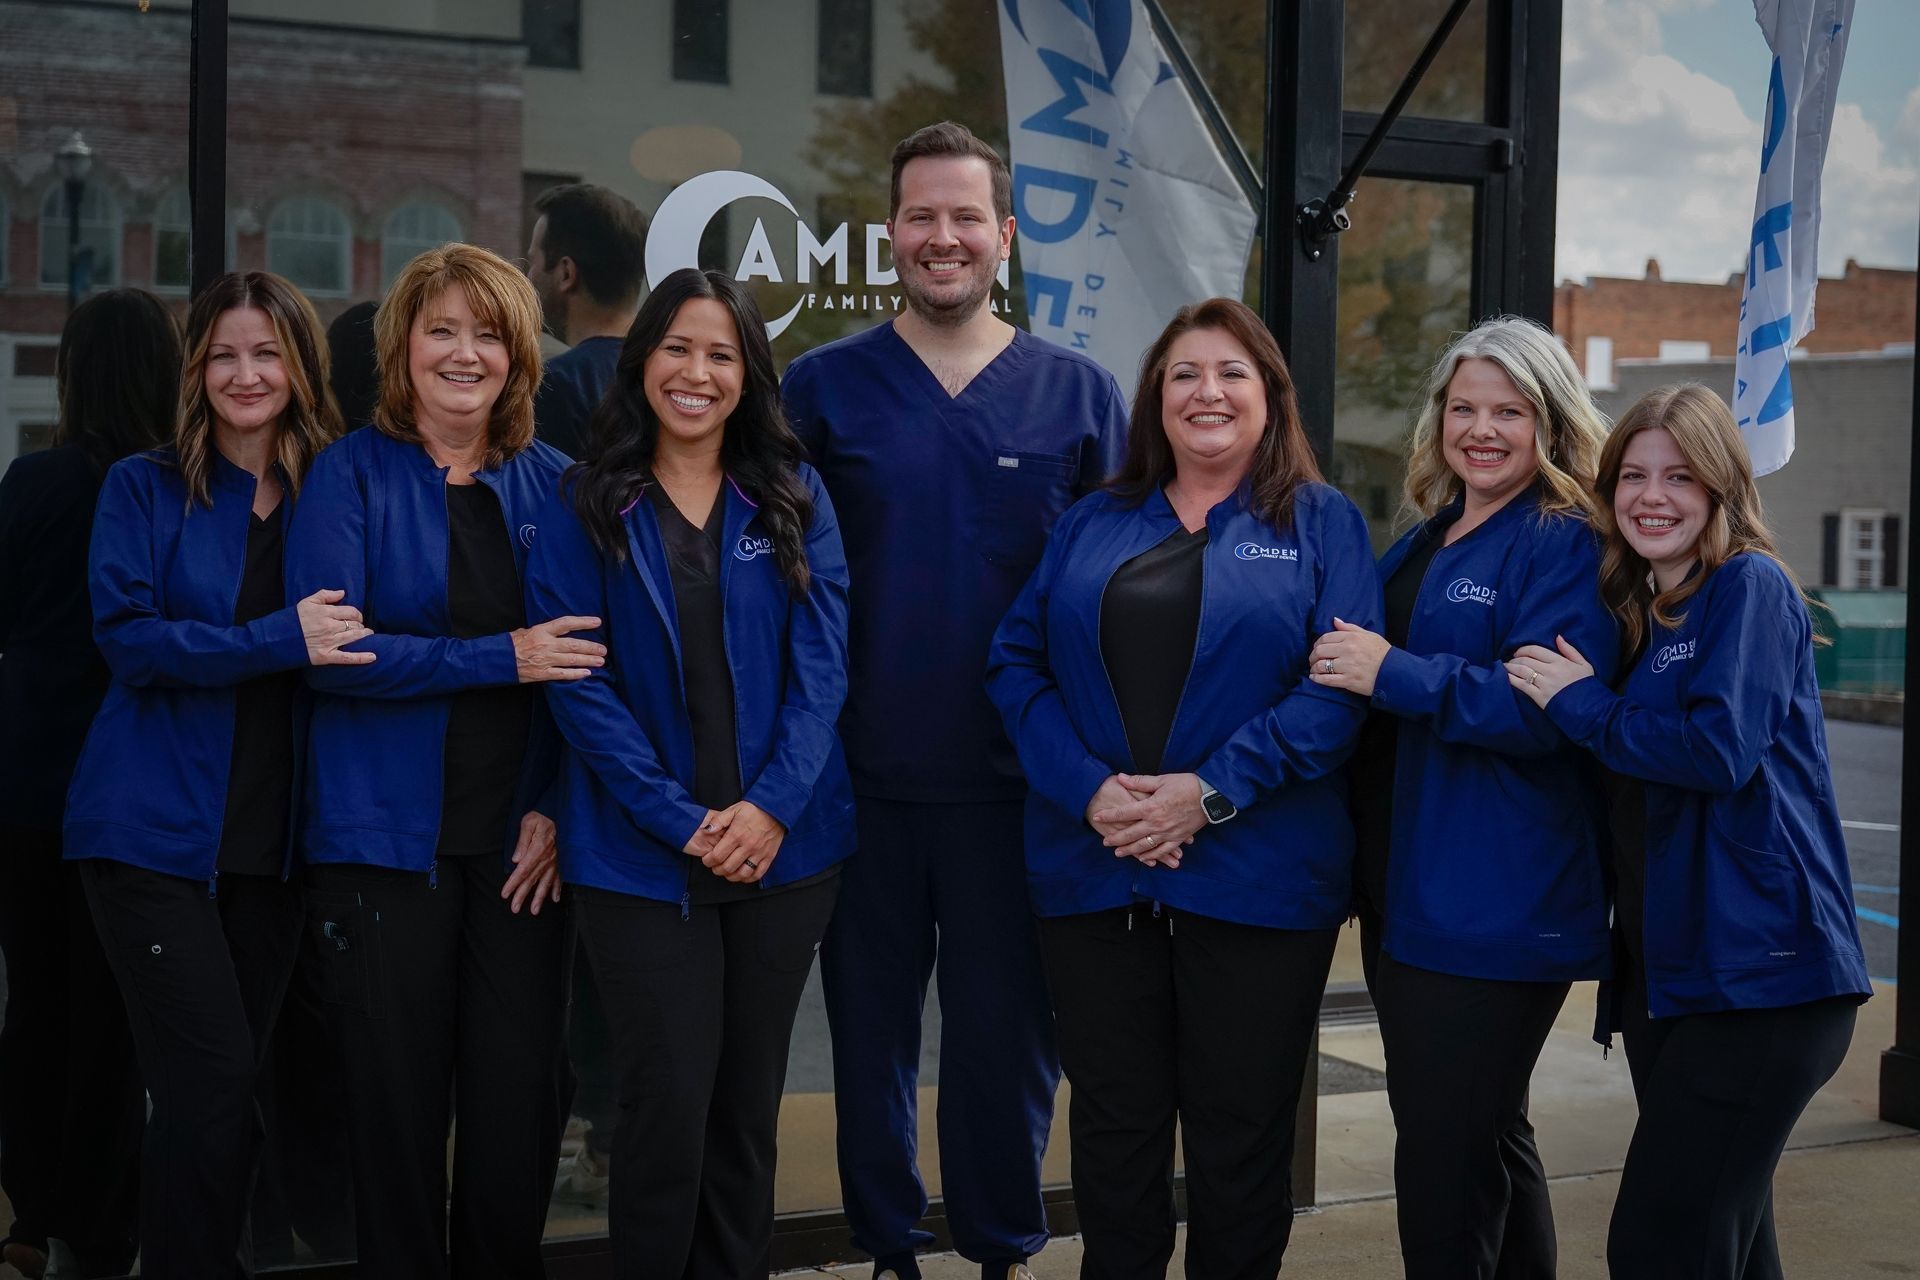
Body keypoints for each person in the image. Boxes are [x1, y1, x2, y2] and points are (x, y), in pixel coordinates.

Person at [781, 120, 1127, 1280]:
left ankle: (997, 1245)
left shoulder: (1078, 396)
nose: (944, 237)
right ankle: (888, 1243)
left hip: (1015, 787)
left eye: (966, 216)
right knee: (869, 1038)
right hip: (858, 780)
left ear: (1006, 236)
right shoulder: (820, 390)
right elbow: (775, 586)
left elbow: (1122, 593)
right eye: (922, 216)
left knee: (1002, 1041)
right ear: (890, 236)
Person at [987, 298, 1381, 1277]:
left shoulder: (1324, 523)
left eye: (1232, 373)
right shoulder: (1094, 520)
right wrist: (1091, 792)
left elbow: (1339, 693)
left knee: (1240, 1147)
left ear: (1270, 396)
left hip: (1256, 884)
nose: (1208, 391)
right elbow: (1013, 663)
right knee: (1115, 1144)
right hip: (1096, 873)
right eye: (1184, 374)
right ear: (1155, 401)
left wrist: (1201, 795)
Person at [524, 266, 854, 1275]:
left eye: (721, 353)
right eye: (678, 347)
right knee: (662, 1108)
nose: (697, 372)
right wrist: (680, 817)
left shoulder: (795, 496)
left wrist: (770, 809)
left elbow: (825, 666)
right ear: (643, 360)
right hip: (640, 858)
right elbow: (580, 690)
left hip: (781, 855)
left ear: (750, 373)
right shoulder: (588, 502)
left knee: (744, 1113)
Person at [1506, 384, 1873, 1280]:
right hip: (1678, 984)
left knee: (1661, 1243)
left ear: (1721, 489)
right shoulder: (1646, 617)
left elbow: (1719, 753)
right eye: (1632, 475)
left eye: (1680, 475)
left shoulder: (1747, 585)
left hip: (1765, 983)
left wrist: (1580, 702)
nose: (1651, 496)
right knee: (1729, 1242)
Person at [286, 243, 595, 1279]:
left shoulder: (559, 485)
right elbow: (336, 656)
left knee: (517, 1104)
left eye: (489, 333)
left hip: (520, 843)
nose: (466, 352)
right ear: (402, 346)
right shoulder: (347, 474)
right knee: (395, 1105)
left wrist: (555, 801)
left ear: (519, 355)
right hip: (383, 840)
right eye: (442, 330)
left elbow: (589, 671)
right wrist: (496, 655)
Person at [1307, 316, 1617, 1279]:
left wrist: (1392, 670)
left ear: (1552, 422)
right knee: (1481, 1135)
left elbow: (1543, 709)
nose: (1481, 430)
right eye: (1463, 407)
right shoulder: (1437, 528)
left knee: (1444, 1154)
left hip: (1495, 897)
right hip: (1415, 893)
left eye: (1509, 412)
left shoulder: (1561, 540)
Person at [62, 271, 358, 1278]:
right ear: (196, 368)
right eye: (224, 354)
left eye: (267, 352)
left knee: (228, 1090)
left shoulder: (334, 489)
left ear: (300, 367)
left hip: (270, 849)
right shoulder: (142, 486)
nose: (246, 373)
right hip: (149, 834)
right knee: (215, 1077)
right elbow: (131, 640)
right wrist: (282, 635)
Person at [0, 289, 177, 1280]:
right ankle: (102, 1229)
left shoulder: (33, 482)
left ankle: (29, 1211)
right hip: (135, 789)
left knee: (36, 1002)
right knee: (114, 1014)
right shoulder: (167, 488)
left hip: (29, 778)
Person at [528, 182, 651, 459]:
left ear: (566, 274)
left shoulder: (556, 388)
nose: (529, 277)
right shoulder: (670, 375)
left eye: (532, 261)